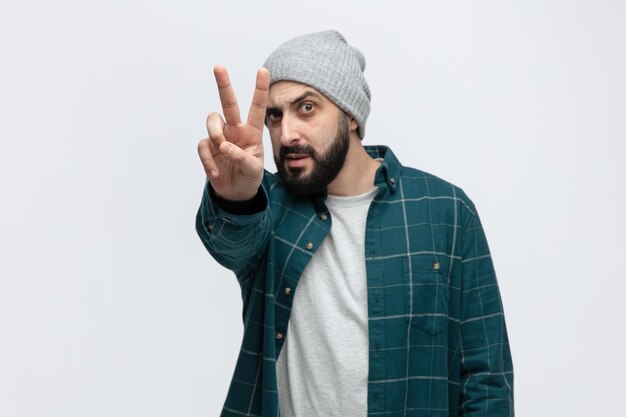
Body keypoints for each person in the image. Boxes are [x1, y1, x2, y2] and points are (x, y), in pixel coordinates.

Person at [196, 30, 514, 417]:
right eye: (275, 116)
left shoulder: (445, 211)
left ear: (350, 115)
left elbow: (485, 378)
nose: (287, 133)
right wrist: (235, 197)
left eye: (307, 108)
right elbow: (232, 241)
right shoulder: (265, 204)